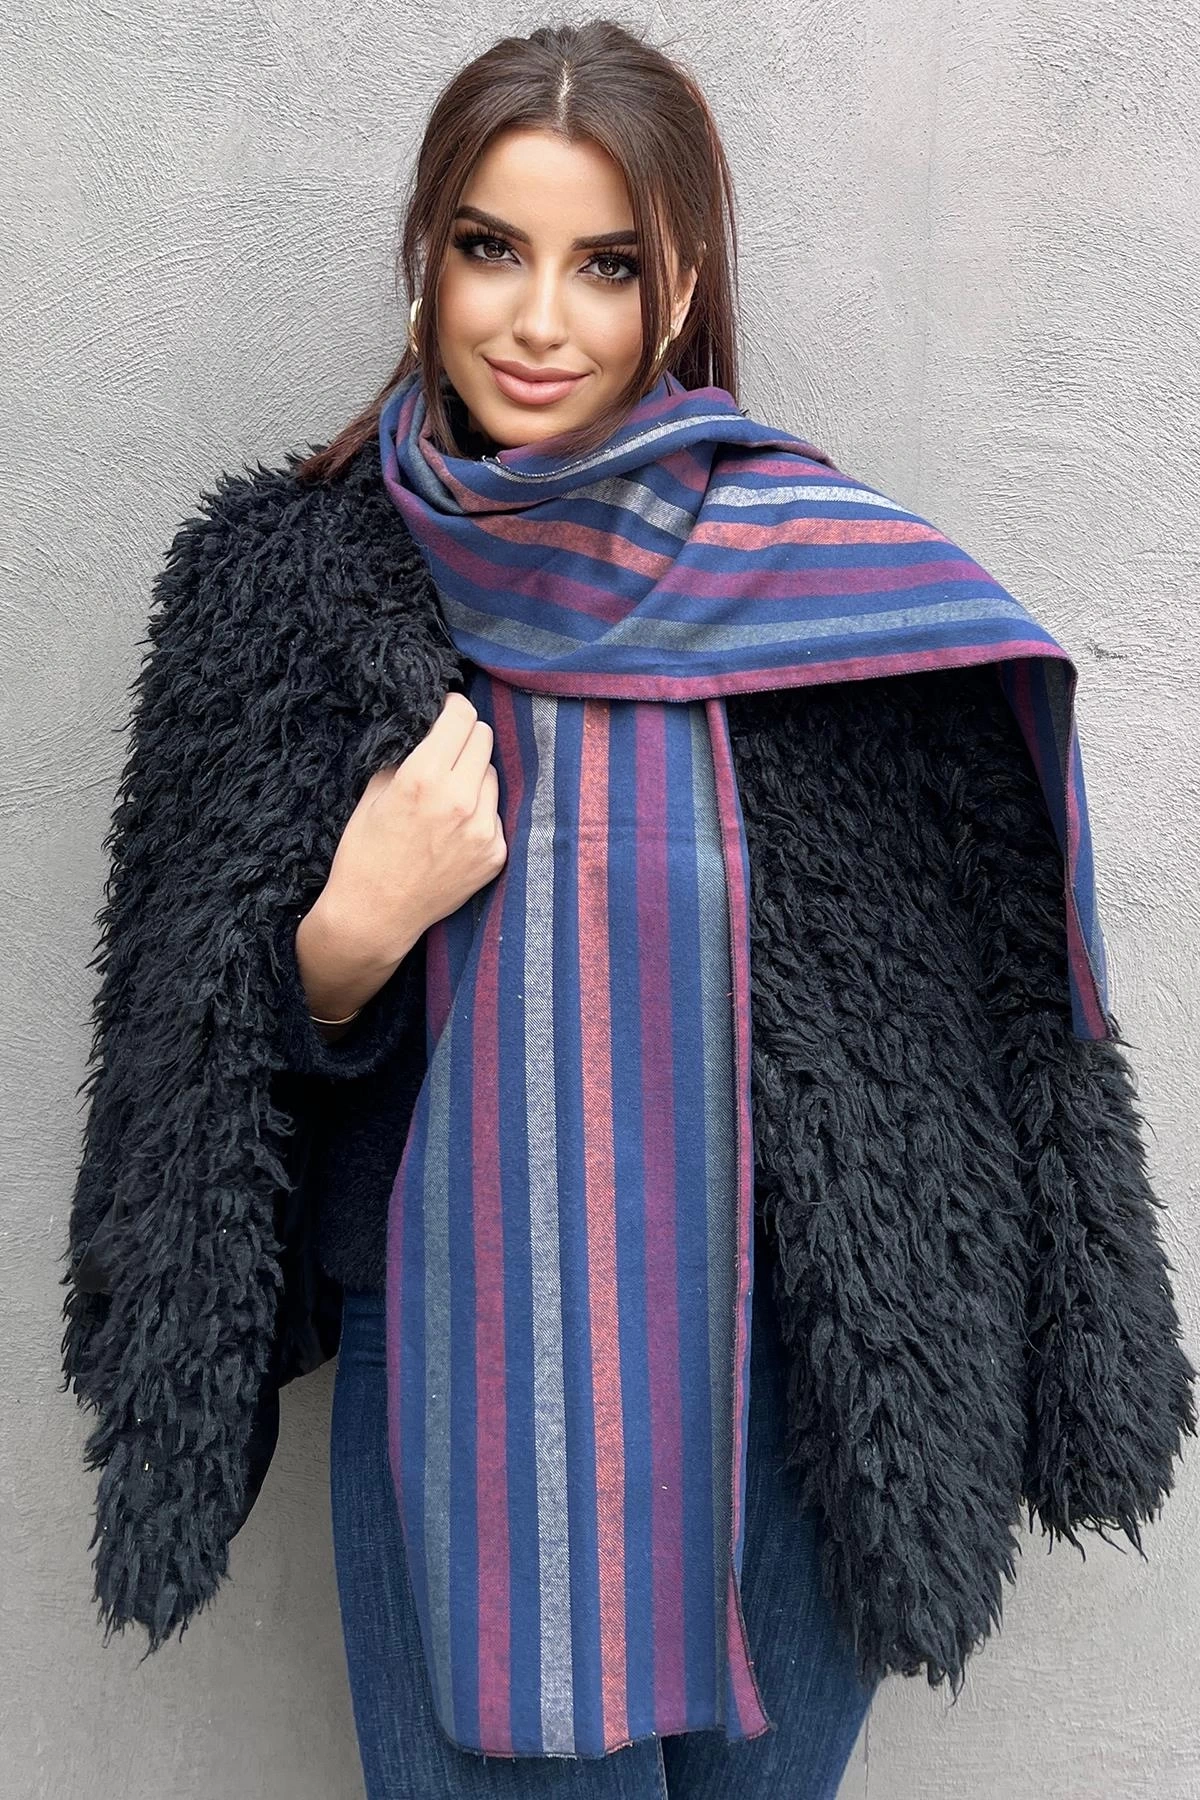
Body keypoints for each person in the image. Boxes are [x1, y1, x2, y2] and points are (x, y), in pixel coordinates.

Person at [60, 18, 1195, 1800]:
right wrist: (342, 948)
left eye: (606, 264)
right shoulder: (284, 588)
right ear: (427, 257)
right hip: (461, 1380)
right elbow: (177, 1079)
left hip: (800, 1393)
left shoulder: (825, 589)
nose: (539, 319)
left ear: (681, 288)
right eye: (490, 248)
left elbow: (971, 1029)